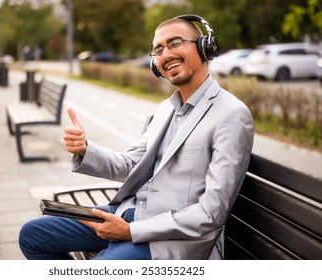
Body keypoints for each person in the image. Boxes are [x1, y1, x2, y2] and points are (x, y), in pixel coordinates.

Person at [19, 14, 254, 260]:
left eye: (175, 43)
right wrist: (84, 149)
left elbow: (211, 214)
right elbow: (132, 166)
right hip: (129, 214)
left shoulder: (232, 115)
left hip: (170, 241)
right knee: (32, 235)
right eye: (159, 50)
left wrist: (130, 231)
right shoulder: (165, 110)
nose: (166, 54)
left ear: (205, 47)